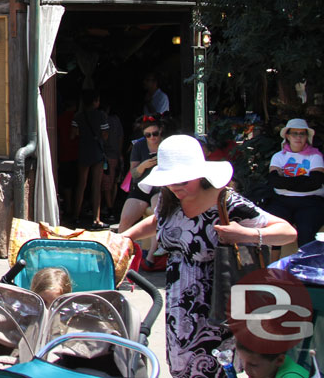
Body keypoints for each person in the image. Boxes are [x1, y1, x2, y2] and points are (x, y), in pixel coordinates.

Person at [120, 134, 296, 378]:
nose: (176, 186)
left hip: (216, 313)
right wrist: (122, 239)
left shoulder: (228, 202)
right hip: (178, 314)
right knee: (181, 370)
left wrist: (245, 234)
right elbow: (155, 221)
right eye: (171, 181)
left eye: (183, 180)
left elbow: (287, 232)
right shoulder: (170, 201)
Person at [265, 118, 324, 246]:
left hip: (310, 202)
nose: (298, 137)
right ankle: (272, 264)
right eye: (294, 133)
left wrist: (285, 181)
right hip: (282, 201)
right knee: (272, 228)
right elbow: (275, 182)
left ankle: (304, 265)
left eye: (302, 134)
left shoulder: (315, 156)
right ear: (287, 136)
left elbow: (315, 182)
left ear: (306, 136)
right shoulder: (279, 156)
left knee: (306, 231)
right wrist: (303, 179)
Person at [118, 114, 166, 268]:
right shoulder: (139, 146)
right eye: (148, 135)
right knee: (125, 218)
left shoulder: (166, 145)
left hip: (160, 186)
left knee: (156, 211)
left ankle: (151, 256)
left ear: (160, 132)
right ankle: (117, 252)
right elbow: (134, 173)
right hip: (141, 186)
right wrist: (143, 165)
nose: (152, 138)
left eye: (155, 134)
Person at [71, 90, 110, 228]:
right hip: (96, 151)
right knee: (96, 186)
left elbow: (73, 135)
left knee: (81, 184)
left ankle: (75, 216)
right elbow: (105, 135)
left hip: (83, 150)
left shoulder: (77, 116)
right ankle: (96, 218)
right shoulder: (101, 115)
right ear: (95, 101)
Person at [236, 341, 308, 378]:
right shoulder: (270, 369)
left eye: (253, 365)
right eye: (242, 360)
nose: (246, 369)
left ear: (279, 360)